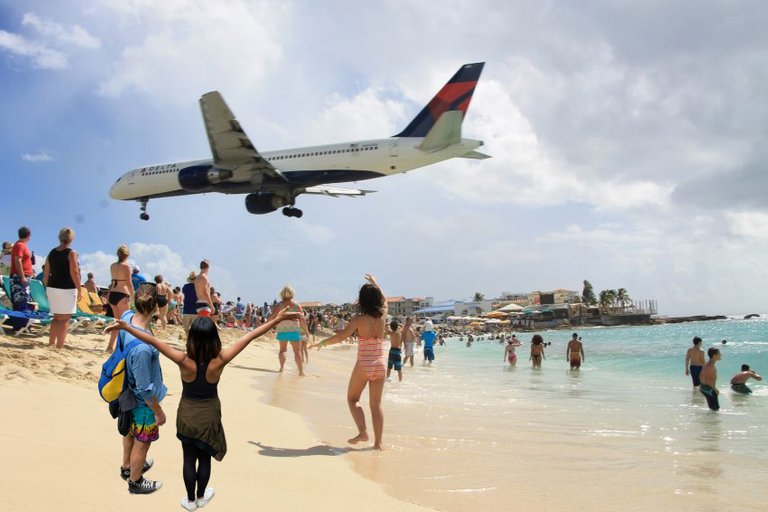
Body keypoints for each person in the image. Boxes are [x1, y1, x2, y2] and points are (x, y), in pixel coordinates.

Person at [106, 302, 301, 509]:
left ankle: (190, 500)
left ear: (191, 339)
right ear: (214, 339)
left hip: (186, 414)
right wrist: (277, 320)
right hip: (209, 414)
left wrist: (127, 328)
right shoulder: (220, 360)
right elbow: (250, 336)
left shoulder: (183, 360)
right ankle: (200, 497)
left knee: (188, 458)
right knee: (204, 459)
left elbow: (153, 340)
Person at [310, 275, 387, 450]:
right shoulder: (383, 316)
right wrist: (375, 283)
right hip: (380, 364)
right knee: (376, 405)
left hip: (364, 364)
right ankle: (378, 444)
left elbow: (341, 337)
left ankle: (363, 432)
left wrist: (321, 343)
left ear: (361, 300)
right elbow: (384, 300)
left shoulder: (359, 320)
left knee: (352, 399)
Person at [120, 283, 166, 494]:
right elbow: (145, 389)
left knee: (130, 431)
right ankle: (135, 481)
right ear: (155, 307)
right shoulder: (143, 349)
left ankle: (128, 466)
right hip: (143, 402)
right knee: (143, 440)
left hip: (127, 392)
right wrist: (158, 411)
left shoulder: (128, 317)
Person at [42, 228, 82, 349]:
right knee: (64, 320)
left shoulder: (52, 252)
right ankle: (59, 347)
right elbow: (74, 272)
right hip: (67, 289)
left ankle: (51, 344)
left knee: (56, 318)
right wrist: (79, 288)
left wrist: (49, 287)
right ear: (71, 239)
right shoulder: (71, 253)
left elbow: (46, 273)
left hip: (53, 287)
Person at [269, 285, 310, 376]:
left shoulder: (279, 305)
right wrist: (306, 332)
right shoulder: (297, 305)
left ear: (282, 294)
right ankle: (301, 372)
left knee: (283, 350)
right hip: (294, 330)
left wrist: (268, 326)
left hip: (282, 329)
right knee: (297, 351)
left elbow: (272, 316)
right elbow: (302, 319)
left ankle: (281, 368)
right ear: (292, 293)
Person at [106, 245, 134, 353]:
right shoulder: (126, 266)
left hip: (113, 294)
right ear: (127, 255)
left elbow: (113, 281)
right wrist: (133, 296)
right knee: (124, 322)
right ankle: (122, 347)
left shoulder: (112, 266)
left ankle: (110, 346)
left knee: (117, 322)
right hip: (122, 294)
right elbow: (129, 283)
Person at [10, 226, 35, 311]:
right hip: (19, 278)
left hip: (24, 277)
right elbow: (18, 260)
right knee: (20, 303)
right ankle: (18, 323)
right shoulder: (20, 245)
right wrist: (22, 277)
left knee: (25, 302)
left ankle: (22, 323)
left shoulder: (22, 245)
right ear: (28, 235)